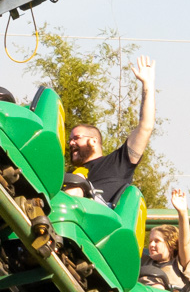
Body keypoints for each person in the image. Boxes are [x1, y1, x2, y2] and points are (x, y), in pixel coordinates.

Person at [66, 55, 155, 204]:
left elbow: (146, 126)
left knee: (76, 184)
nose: (71, 143)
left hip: (102, 218)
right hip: (66, 219)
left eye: (76, 138)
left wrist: (148, 84)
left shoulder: (117, 162)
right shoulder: (67, 176)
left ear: (93, 141)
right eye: (70, 140)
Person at [139, 187, 190, 292]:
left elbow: (185, 243)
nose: (151, 244)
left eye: (157, 241)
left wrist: (182, 213)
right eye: (150, 241)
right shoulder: (145, 261)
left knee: (158, 288)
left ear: (170, 244)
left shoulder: (179, 263)